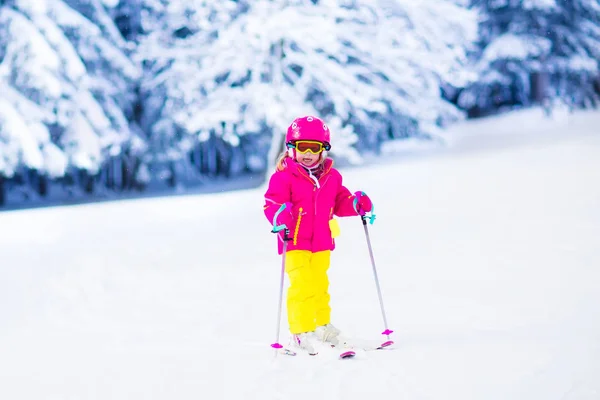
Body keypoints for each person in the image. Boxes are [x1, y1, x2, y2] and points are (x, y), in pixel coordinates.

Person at [263, 115, 372, 355]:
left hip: (321, 242)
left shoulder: (332, 178)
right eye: (303, 147)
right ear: (292, 148)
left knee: (320, 285)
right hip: (294, 241)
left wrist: (356, 204)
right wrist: (279, 217)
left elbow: (340, 202)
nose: (309, 153)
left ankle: (321, 325)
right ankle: (300, 331)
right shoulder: (283, 177)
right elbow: (272, 203)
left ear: (324, 150)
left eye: (315, 147)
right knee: (301, 286)